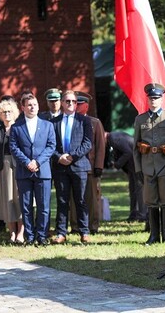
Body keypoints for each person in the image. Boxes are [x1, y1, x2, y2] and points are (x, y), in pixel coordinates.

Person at [133, 83, 165, 245]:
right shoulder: (140, 119)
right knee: (151, 201)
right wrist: (138, 168)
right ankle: (154, 235)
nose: (154, 100)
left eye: (157, 98)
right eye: (151, 98)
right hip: (148, 166)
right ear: (147, 99)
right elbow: (136, 147)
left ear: (162, 99)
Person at [10, 94, 56, 246]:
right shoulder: (16, 127)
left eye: (34, 104)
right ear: (22, 108)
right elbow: (14, 148)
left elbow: (51, 146)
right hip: (24, 172)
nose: (32, 107)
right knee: (26, 206)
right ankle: (29, 236)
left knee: (43, 206)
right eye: (29, 105)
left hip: (43, 172)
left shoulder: (47, 125)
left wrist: (37, 162)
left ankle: (42, 236)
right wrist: (27, 162)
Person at [50, 90, 92, 244]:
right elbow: (50, 145)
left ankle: (84, 231)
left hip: (79, 165)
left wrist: (72, 156)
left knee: (80, 200)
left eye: (74, 102)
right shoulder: (54, 122)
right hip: (60, 167)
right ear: (62, 103)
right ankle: (61, 233)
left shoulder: (84, 121)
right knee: (62, 200)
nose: (71, 104)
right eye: (67, 101)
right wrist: (58, 157)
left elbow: (87, 144)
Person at [69, 92, 105, 234]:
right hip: (73, 167)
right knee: (73, 198)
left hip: (90, 167)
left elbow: (100, 146)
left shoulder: (94, 122)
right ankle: (75, 225)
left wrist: (98, 166)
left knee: (91, 199)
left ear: (86, 106)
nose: (77, 106)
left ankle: (92, 225)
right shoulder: (70, 122)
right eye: (75, 103)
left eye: (80, 104)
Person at [0, 100, 24, 244]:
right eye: (4, 112)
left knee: (19, 198)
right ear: (0, 114)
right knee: (7, 199)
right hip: (3, 167)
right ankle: (11, 233)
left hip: (20, 166)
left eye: (9, 111)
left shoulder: (21, 128)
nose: (7, 114)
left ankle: (21, 233)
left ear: (15, 113)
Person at [105, 131, 146, 222]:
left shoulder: (112, 138)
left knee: (139, 189)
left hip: (137, 164)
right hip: (133, 165)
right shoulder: (114, 136)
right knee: (133, 189)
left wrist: (117, 164)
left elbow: (128, 152)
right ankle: (134, 214)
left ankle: (142, 215)